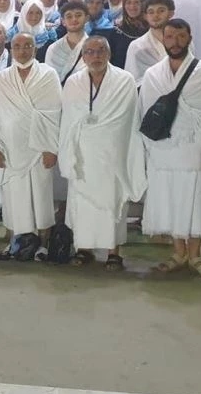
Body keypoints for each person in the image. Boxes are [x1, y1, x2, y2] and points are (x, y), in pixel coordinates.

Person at [59, 36, 146, 271]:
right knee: (82, 203)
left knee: (112, 201)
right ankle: (83, 248)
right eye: (90, 52)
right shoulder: (73, 82)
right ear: (83, 56)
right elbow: (68, 119)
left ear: (109, 54)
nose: (95, 56)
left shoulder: (124, 80)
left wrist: (97, 129)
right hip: (82, 154)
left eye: (100, 51)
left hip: (112, 152)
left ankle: (113, 252)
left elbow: (127, 118)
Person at [139, 19, 201, 279]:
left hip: (191, 145)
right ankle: (178, 252)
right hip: (163, 146)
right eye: (170, 36)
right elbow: (146, 110)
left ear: (189, 38)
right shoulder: (153, 74)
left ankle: (195, 255)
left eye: (181, 36)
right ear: (163, 39)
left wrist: (186, 116)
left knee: (192, 198)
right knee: (170, 198)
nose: (175, 42)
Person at [0, 34, 62, 260]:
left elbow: (54, 114)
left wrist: (51, 148)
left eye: (27, 46)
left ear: (35, 49)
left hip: (39, 148)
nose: (22, 51)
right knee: (13, 199)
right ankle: (14, 244)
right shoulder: (3, 77)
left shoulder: (48, 74)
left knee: (41, 198)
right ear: (11, 49)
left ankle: (43, 246)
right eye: (17, 46)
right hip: (10, 149)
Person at [125, 0, 175, 87]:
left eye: (161, 11)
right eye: (151, 12)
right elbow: (133, 82)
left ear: (171, 13)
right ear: (145, 16)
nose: (155, 15)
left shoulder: (182, 42)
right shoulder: (136, 46)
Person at [45, 2, 89, 85]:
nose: (74, 19)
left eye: (78, 15)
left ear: (86, 18)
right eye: (69, 16)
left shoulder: (94, 48)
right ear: (63, 21)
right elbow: (49, 79)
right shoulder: (53, 49)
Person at [110, 0, 148, 69]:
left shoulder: (152, 29)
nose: (132, 6)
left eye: (137, 2)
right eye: (128, 2)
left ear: (144, 4)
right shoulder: (116, 29)